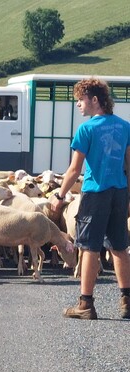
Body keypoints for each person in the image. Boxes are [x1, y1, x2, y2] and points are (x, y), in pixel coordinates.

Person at [50, 77, 130, 320]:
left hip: (95, 193)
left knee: (89, 248)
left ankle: (85, 304)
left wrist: (59, 195)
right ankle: (127, 301)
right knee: (119, 246)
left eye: (80, 100)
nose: (78, 105)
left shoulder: (86, 129)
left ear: (95, 100)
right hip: (120, 192)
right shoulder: (125, 126)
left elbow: (75, 169)